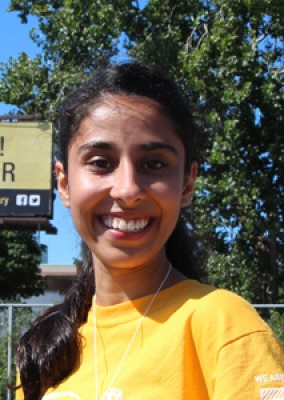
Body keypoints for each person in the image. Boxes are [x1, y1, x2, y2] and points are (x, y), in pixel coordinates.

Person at [15, 63, 284, 400]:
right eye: (100, 162)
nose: (127, 190)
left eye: (153, 164)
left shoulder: (224, 326)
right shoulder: (45, 347)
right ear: (65, 182)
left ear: (187, 183)